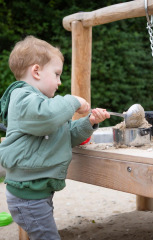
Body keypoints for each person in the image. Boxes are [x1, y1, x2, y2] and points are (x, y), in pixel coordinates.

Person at [0, 35, 110, 240]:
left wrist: (90, 122)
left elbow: (67, 135)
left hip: (37, 194)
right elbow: (47, 116)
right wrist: (73, 100)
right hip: (27, 198)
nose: (60, 82)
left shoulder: (45, 106)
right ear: (36, 71)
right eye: (57, 74)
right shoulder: (23, 99)